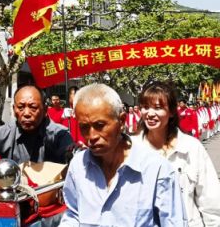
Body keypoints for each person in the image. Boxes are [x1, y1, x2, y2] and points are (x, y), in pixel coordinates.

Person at [60, 83, 186, 227]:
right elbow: (73, 215)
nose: (92, 136)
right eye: (84, 127)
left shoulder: (156, 169)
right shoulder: (78, 166)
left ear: (121, 121)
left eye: (100, 125)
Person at [134, 82, 220, 226]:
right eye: (145, 107)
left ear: (172, 111)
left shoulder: (191, 148)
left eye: (158, 108)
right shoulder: (131, 148)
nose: (150, 113)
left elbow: (211, 202)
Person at [0, 85, 73, 164]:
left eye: (33, 107)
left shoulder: (60, 135)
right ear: (14, 110)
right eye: (21, 107)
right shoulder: (0, 135)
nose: (26, 113)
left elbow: (71, 162)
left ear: (45, 110)